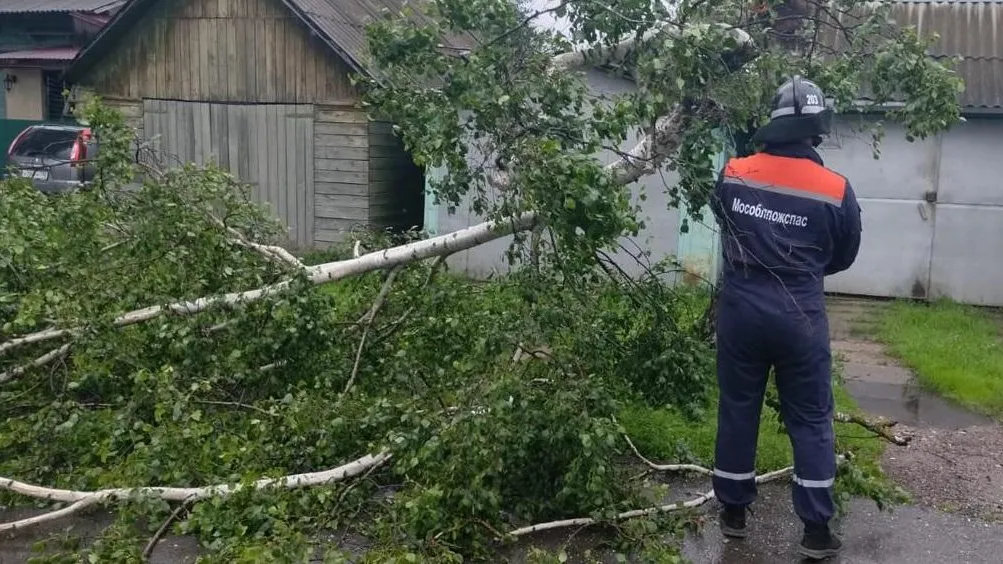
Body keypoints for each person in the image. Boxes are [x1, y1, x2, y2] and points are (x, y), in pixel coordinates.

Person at [709, 75, 862, 560]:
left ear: (772, 123)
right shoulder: (836, 188)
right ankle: (816, 531)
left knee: (738, 407)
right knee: (811, 417)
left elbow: (722, 220)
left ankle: (733, 514)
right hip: (801, 313)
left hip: (741, 308)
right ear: (816, 131)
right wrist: (803, 266)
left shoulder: (734, 172)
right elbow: (844, 254)